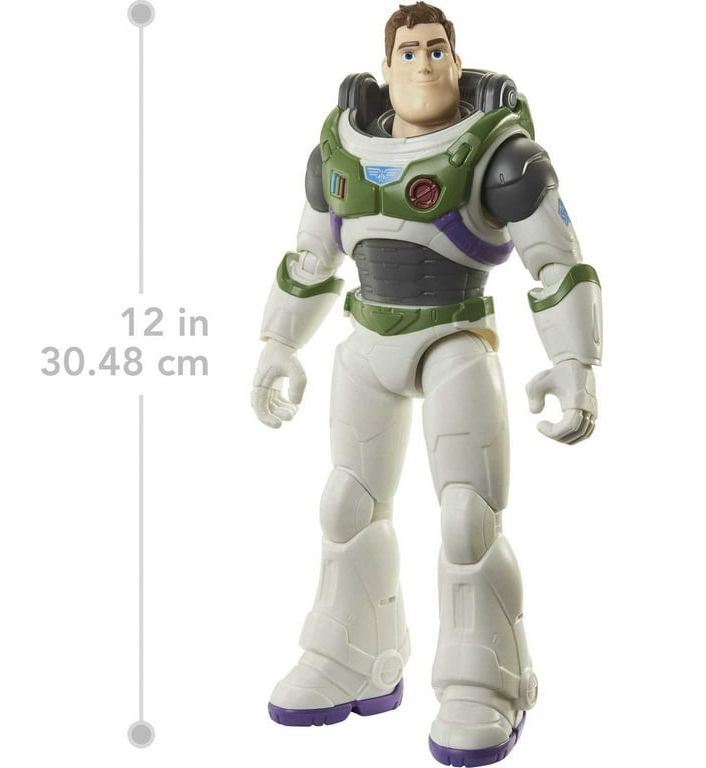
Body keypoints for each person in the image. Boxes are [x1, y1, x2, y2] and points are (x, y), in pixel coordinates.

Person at [251, 3, 602, 764]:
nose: (424, 62)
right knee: (346, 504)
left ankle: (487, 681)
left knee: (467, 519)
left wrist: (576, 363)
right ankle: (352, 652)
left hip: (456, 337)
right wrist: (279, 342)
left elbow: (557, 263)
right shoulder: (339, 150)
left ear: (456, 58)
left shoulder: (502, 154)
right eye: (407, 51)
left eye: (437, 49)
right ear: (385, 68)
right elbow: (311, 259)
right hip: (367, 341)